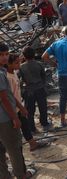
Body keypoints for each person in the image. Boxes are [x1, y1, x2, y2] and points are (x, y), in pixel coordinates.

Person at [0, 43, 33, 179]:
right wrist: (15, 117)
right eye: (1, 55)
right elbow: (4, 98)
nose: (4, 58)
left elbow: (8, 94)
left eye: (6, 54)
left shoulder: (3, 71)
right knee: (14, 148)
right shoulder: (1, 74)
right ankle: (21, 175)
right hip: (5, 118)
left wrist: (20, 106)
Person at [8, 53, 49, 152]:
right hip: (15, 106)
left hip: (27, 93)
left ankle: (32, 138)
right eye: (17, 62)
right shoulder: (7, 77)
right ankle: (44, 123)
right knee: (42, 107)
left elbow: (19, 84)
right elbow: (9, 97)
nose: (19, 64)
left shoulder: (17, 71)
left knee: (28, 117)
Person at [19, 46, 51, 133]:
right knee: (43, 107)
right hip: (40, 88)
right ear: (34, 54)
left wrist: (22, 91)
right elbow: (44, 76)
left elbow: (20, 80)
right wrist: (43, 85)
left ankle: (32, 128)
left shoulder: (21, 67)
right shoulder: (39, 64)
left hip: (29, 90)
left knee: (30, 110)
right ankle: (44, 123)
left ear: (24, 56)